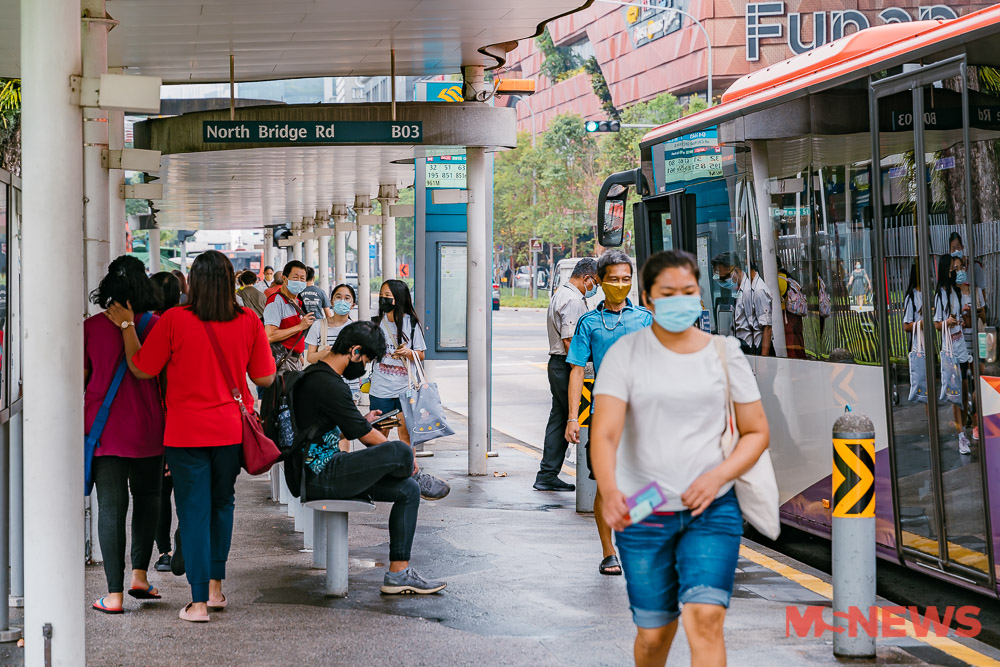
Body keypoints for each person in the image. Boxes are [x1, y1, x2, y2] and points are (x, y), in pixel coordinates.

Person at [590, 250, 769, 667]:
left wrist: (718, 476)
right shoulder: (625, 356)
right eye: (668, 293)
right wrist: (612, 489)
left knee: (705, 620)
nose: (680, 300)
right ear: (649, 300)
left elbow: (756, 431)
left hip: (712, 508)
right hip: (645, 509)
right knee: (655, 636)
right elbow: (606, 432)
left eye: (688, 291)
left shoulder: (725, 354)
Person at [114, 250, 276, 623]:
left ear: (195, 282)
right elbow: (265, 377)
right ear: (231, 280)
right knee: (222, 505)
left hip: (185, 434)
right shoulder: (249, 321)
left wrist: (126, 328)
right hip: (229, 432)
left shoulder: (174, 320)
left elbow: (141, 368)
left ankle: (198, 602)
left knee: (193, 511)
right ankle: (216, 589)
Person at [293, 321, 448, 594]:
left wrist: (361, 420)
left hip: (325, 470)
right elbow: (365, 436)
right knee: (400, 450)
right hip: (323, 475)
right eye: (366, 360)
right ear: (354, 351)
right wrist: (404, 458)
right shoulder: (328, 383)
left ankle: (399, 574)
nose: (364, 366)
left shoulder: (318, 376)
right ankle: (415, 472)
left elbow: (335, 428)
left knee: (408, 492)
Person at [86, 256, 166, 615]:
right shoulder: (158, 326)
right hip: (150, 430)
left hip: (105, 432)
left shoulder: (89, 328)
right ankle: (139, 576)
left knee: (112, 509)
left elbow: (81, 377)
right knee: (148, 500)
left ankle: (113, 595)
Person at [564, 250, 652, 575]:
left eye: (626, 279)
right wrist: (573, 417)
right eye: (613, 279)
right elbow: (575, 369)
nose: (620, 285)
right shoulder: (589, 323)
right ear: (600, 281)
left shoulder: (644, 319)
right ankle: (608, 550)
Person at [535, 258, 599, 492]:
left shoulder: (563, 293)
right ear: (586, 278)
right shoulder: (572, 300)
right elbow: (570, 340)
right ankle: (552, 474)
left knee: (559, 418)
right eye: (596, 283)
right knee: (575, 418)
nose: (596, 288)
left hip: (560, 365)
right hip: (567, 366)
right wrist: (581, 370)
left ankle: (547, 473)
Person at [148, 272, 182, 574]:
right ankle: (182, 544)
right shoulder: (184, 322)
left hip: (156, 420)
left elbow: (145, 369)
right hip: (183, 421)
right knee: (187, 489)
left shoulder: (149, 326)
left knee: (160, 492)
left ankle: (166, 551)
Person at [370, 279, 426, 448]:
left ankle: (410, 469)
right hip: (381, 389)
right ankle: (380, 471)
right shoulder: (376, 322)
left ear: (399, 298)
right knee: (379, 434)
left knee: (406, 435)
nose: (383, 299)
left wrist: (408, 353)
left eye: (387, 295)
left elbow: (421, 354)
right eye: (381, 295)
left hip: (406, 389)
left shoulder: (412, 323)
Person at [934, 253, 973, 454]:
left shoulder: (957, 292)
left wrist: (962, 315)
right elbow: (936, 324)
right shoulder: (940, 294)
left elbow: (960, 320)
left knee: (964, 392)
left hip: (961, 348)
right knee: (956, 395)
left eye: (958, 269)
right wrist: (946, 323)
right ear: (945, 270)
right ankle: (961, 436)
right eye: (953, 268)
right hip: (950, 350)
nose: (957, 272)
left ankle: (964, 429)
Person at [711, 252, 772, 356]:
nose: (722, 282)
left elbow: (767, 328)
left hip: (757, 351)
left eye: (724, 278)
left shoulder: (755, 290)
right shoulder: (741, 290)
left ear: (735, 271)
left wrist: (764, 361)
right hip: (745, 349)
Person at [306, 283, 360, 399]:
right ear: (331, 302)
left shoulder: (357, 329)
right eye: (338, 297)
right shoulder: (318, 326)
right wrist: (324, 354)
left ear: (352, 305)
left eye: (347, 298)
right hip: (323, 385)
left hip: (350, 387)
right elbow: (310, 357)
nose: (342, 301)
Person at [263, 261, 315, 373]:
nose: (299, 282)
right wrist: (300, 326)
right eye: (295, 278)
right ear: (284, 279)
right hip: (282, 361)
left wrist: (299, 355)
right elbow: (269, 336)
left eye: (302, 279)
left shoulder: (297, 301)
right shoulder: (276, 301)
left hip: (294, 359)